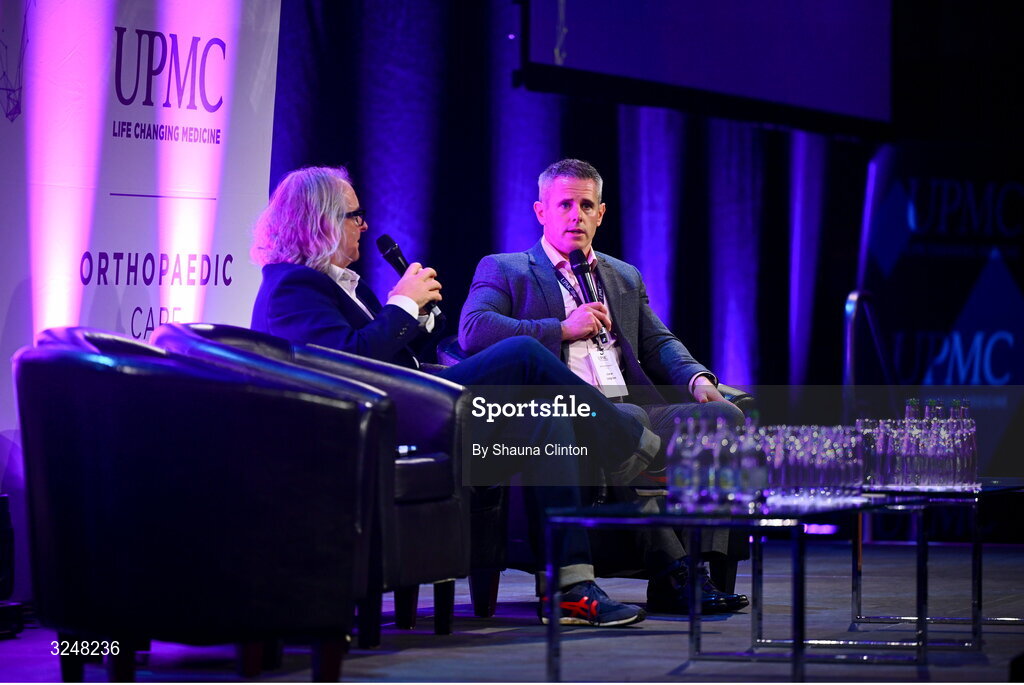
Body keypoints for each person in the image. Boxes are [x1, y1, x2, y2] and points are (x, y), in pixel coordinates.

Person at [250, 165, 670, 627]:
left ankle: (570, 587)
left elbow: (394, 356)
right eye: (355, 215)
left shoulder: (344, 285)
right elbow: (344, 364)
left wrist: (417, 319)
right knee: (525, 353)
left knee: (548, 418)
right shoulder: (292, 286)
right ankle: (632, 444)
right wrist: (401, 306)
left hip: (417, 415)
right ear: (322, 222)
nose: (364, 225)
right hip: (386, 430)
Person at [459, 158, 749, 614]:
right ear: (541, 212)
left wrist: (698, 378)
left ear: (601, 213)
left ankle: (701, 566)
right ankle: (676, 576)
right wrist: (561, 327)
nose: (575, 215)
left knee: (722, 418)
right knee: (624, 418)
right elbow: (474, 330)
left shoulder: (623, 275)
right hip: (559, 413)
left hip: (629, 405)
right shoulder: (507, 269)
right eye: (565, 205)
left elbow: (657, 341)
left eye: (585, 205)